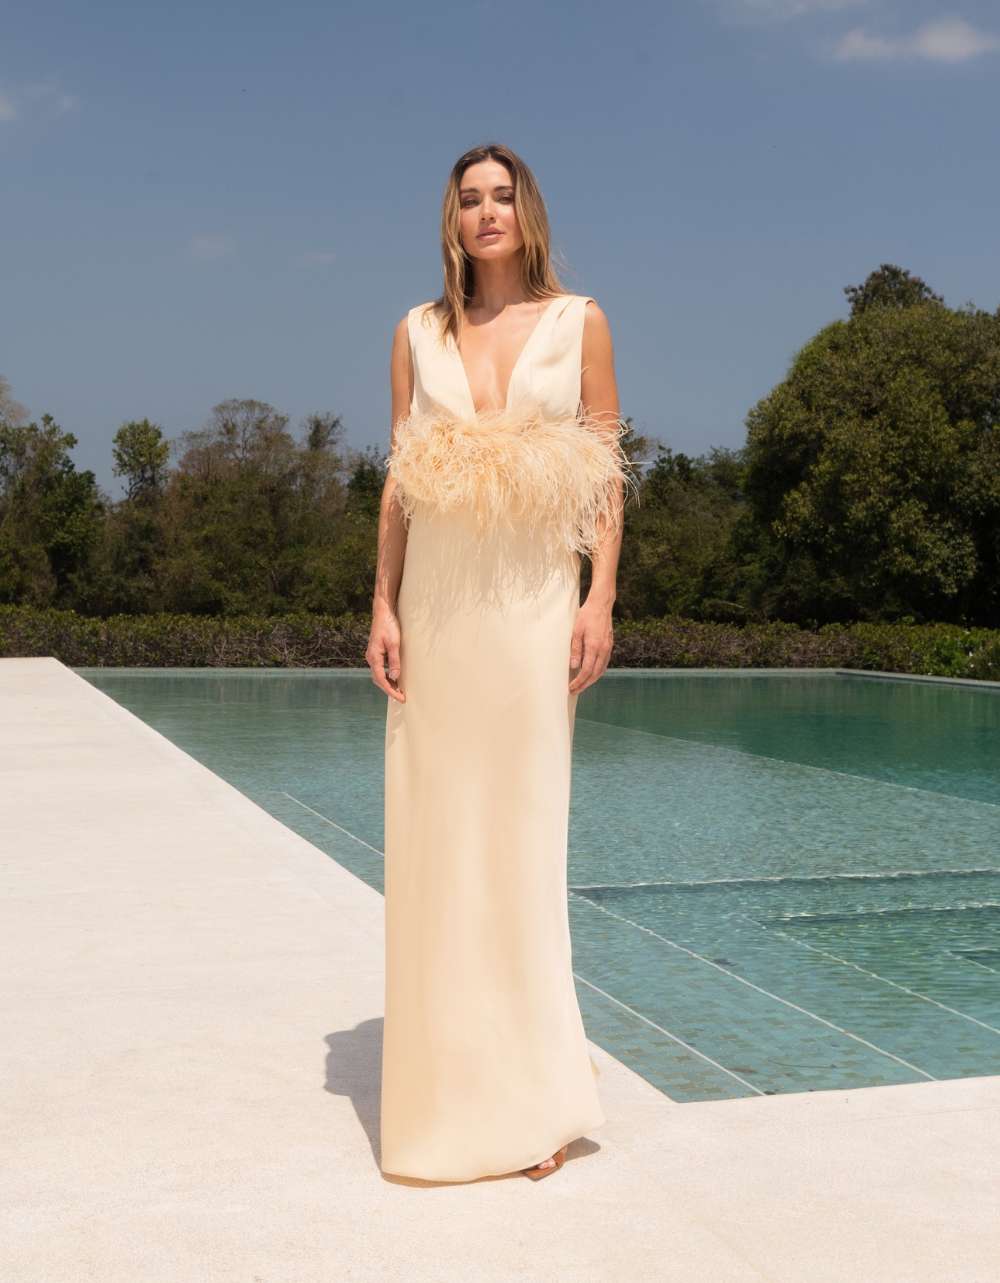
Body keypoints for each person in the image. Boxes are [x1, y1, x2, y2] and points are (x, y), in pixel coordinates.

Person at [367, 141, 636, 1183]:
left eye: (502, 196)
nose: (486, 212)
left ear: (528, 213)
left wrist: (598, 596)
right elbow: (399, 480)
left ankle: (533, 1099)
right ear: (453, 219)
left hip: (532, 603)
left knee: (522, 836)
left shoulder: (580, 322)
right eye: (469, 199)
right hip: (437, 604)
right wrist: (382, 604)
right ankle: (444, 1093)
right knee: (436, 839)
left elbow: (606, 474)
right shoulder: (414, 331)